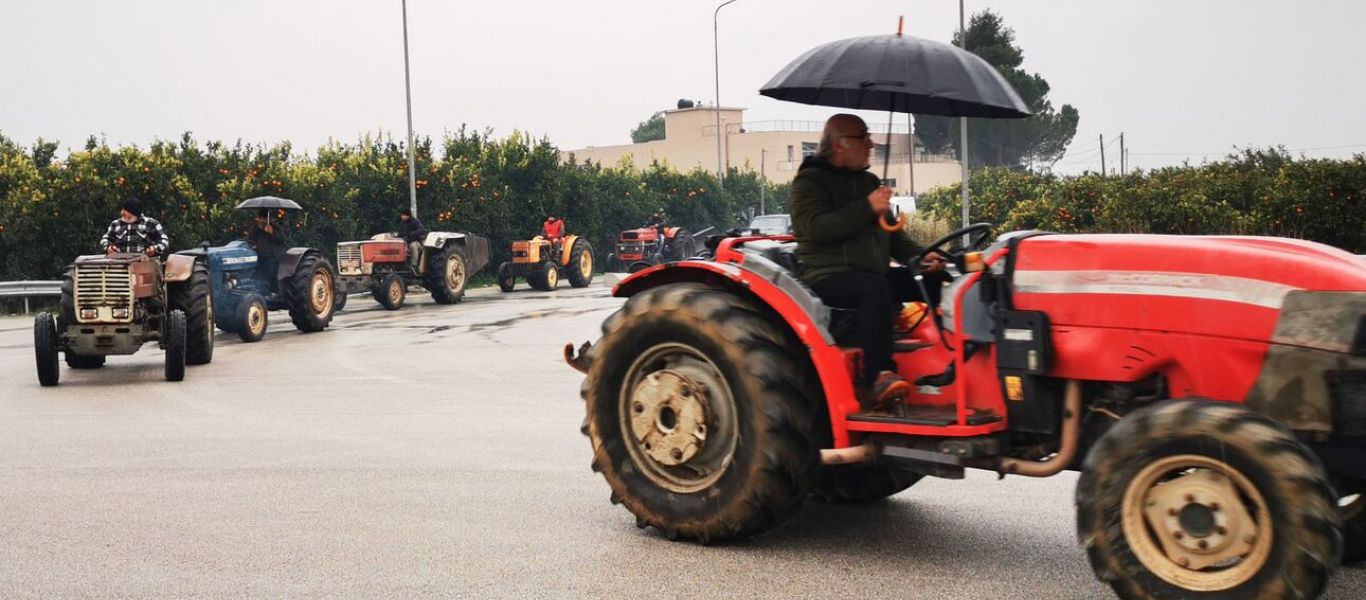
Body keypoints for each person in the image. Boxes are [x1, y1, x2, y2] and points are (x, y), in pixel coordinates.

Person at [789, 114, 946, 411]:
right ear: (839, 143)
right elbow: (815, 229)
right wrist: (866, 206)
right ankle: (878, 376)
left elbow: (894, 236)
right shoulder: (808, 183)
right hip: (826, 277)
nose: (871, 144)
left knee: (939, 281)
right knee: (876, 289)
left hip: (872, 274)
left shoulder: (869, 182)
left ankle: (953, 361)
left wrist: (921, 256)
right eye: (863, 137)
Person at [100, 197, 169, 257]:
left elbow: (164, 240)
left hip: (145, 262)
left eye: (129, 216)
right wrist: (108, 247)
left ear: (137, 215)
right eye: (123, 214)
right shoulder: (115, 224)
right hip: (120, 263)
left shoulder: (151, 224)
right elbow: (105, 239)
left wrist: (154, 248)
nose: (125, 217)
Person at [247, 209, 287, 293]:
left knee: (269, 270)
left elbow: (282, 240)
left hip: (272, 256)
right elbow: (249, 240)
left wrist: (272, 233)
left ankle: (270, 291)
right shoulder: (255, 229)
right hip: (258, 256)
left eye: (264, 218)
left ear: (269, 219)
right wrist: (252, 246)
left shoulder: (276, 228)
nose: (261, 221)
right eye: (260, 218)